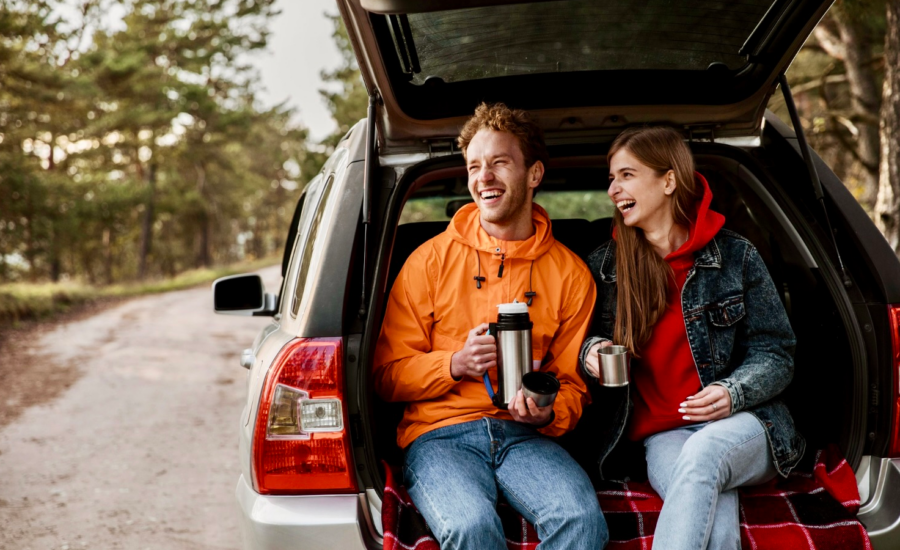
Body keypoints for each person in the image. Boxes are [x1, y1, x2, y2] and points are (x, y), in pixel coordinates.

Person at [373, 102, 608, 550]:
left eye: (500, 163)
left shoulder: (571, 274)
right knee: (470, 527)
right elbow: (385, 377)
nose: (484, 177)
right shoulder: (429, 262)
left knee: (581, 519)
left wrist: (548, 411)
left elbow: (573, 386)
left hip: (525, 437)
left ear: (534, 174)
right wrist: (453, 365)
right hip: (439, 435)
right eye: (475, 166)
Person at [579, 126, 805, 550]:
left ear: (668, 181)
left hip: (746, 423)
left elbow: (776, 352)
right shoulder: (605, 267)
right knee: (716, 521)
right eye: (611, 178)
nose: (613, 189)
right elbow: (579, 337)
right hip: (663, 436)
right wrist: (591, 352)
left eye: (626, 175)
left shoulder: (737, 257)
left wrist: (732, 391)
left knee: (703, 457)